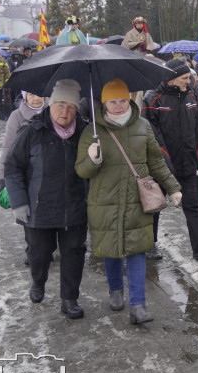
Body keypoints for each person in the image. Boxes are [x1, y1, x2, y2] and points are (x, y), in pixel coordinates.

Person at [76, 79, 182, 324]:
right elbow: (81, 171)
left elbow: (156, 161)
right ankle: (115, 290)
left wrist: (173, 188)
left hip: (137, 200)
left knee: (136, 250)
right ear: (104, 103)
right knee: (112, 250)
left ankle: (138, 306)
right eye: (113, 101)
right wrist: (92, 159)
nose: (119, 106)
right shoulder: (92, 132)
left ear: (130, 99)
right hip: (105, 201)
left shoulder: (143, 126)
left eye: (123, 100)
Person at [4, 80, 88, 319]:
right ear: (51, 104)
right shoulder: (32, 131)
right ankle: (38, 281)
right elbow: (12, 167)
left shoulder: (85, 133)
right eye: (60, 104)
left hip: (75, 207)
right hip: (39, 208)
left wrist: (96, 158)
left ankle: (69, 298)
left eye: (71, 106)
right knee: (39, 253)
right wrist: (19, 201)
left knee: (74, 253)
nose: (65, 112)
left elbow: (94, 169)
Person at [141, 60, 198, 262]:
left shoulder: (192, 93)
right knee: (156, 206)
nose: (190, 80)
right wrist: (165, 163)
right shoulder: (153, 98)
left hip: (187, 162)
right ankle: (149, 244)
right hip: (162, 165)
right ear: (171, 77)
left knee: (192, 206)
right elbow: (152, 137)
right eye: (185, 77)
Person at [0, 91, 49, 200]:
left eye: (39, 94)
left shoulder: (53, 111)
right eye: (31, 94)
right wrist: (2, 177)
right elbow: (8, 147)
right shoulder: (16, 116)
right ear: (25, 97)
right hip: (26, 171)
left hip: (50, 170)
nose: (36, 98)